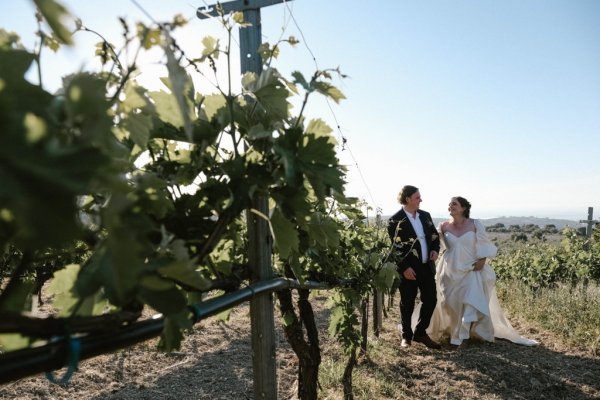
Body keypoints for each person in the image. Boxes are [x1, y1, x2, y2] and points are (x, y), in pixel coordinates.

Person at [427, 196, 538, 348]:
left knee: (470, 301)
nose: (450, 206)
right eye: (449, 204)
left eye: (455, 204)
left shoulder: (475, 224)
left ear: (463, 208)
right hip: (450, 268)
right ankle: (455, 333)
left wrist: (482, 260)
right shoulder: (443, 226)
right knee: (451, 303)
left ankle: (464, 338)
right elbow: (434, 244)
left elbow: (483, 243)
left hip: (472, 267)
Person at [387, 185, 441, 349]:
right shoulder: (395, 220)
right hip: (409, 270)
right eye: (418, 197)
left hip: (426, 267)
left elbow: (435, 236)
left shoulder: (425, 215)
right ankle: (406, 336)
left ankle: (420, 333)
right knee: (407, 303)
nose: (421, 200)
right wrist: (404, 268)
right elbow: (395, 249)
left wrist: (434, 249)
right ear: (408, 199)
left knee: (431, 300)